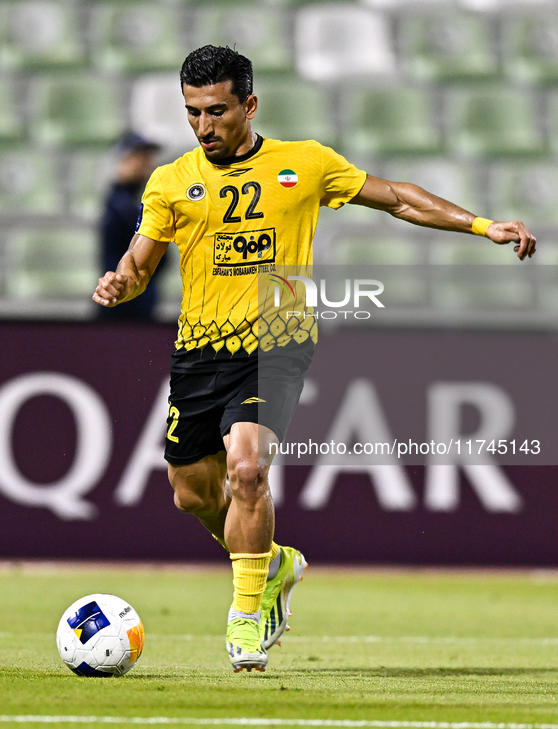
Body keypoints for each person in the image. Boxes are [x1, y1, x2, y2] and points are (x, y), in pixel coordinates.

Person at [93, 45, 536, 673]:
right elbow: (140, 263)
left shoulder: (304, 163)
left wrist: (481, 225)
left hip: (276, 337)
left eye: (217, 111)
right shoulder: (170, 181)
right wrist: (121, 282)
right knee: (192, 496)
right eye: (193, 113)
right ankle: (271, 563)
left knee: (247, 469)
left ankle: (248, 618)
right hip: (199, 349)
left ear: (249, 105)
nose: (204, 126)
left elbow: (398, 198)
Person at [96, 132, 164, 321]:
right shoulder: (120, 205)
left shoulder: (129, 203)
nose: (145, 165)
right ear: (122, 160)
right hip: (123, 309)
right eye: (139, 157)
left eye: (147, 159)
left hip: (135, 302)